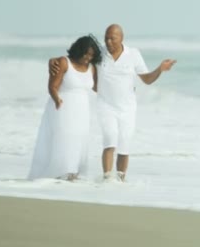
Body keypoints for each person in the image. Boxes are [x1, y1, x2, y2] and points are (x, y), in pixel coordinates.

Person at [49, 24, 176, 181]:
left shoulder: (134, 54)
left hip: (128, 108)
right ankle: (108, 178)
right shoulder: (99, 52)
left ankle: (121, 179)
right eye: (106, 38)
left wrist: (160, 69)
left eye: (112, 38)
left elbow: (147, 79)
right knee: (110, 139)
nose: (108, 42)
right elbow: (79, 57)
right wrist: (53, 60)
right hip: (105, 105)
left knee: (124, 143)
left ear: (121, 38)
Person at [28, 35, 102, 181]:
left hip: (82, 110)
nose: (88, 57)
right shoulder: (63, 62)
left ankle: (73, 173)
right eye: (86, 53)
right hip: (63, 106)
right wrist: (56, 99)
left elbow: (97, 88)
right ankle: (61, 172)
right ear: (78, 50)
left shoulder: (92, 68)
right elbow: (52, 86)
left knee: (79, 139)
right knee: (65, 139)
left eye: (91, 55)